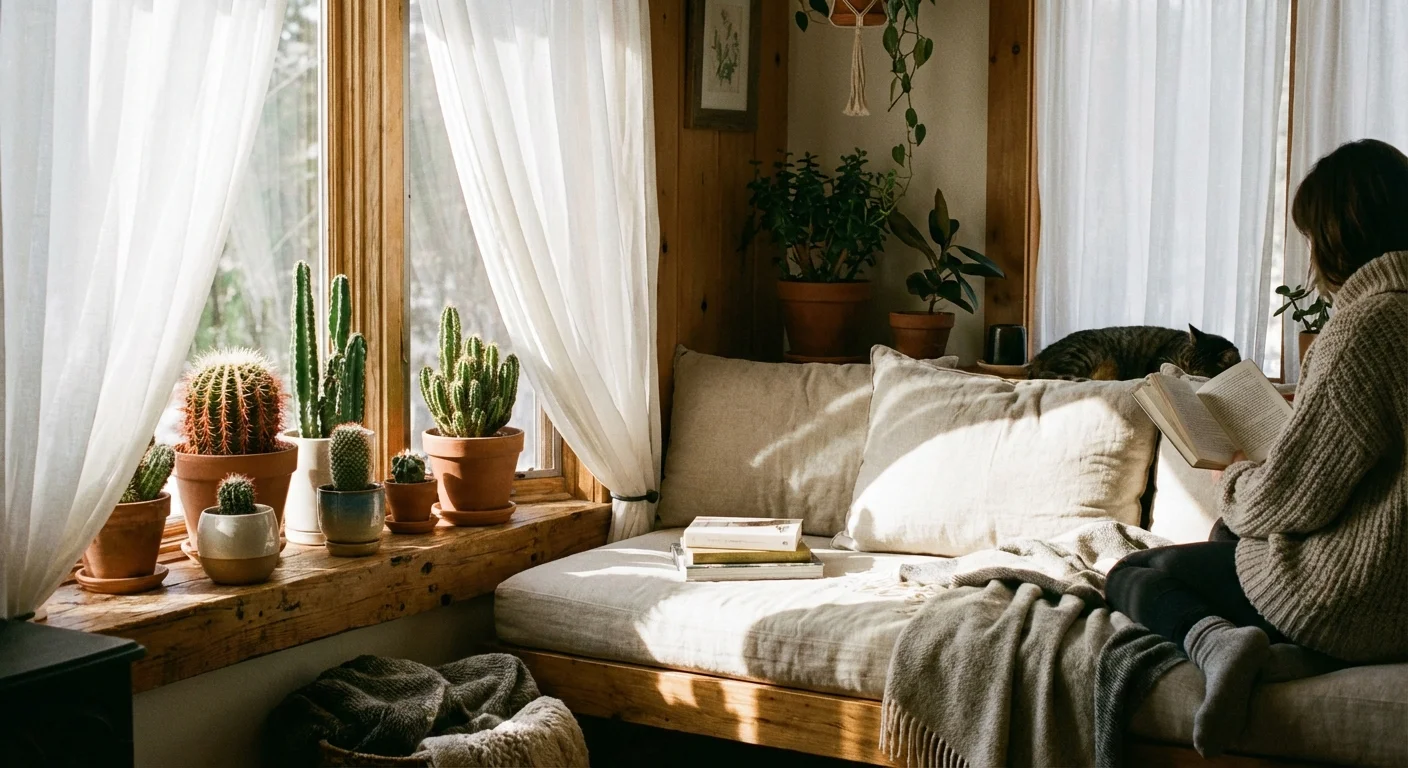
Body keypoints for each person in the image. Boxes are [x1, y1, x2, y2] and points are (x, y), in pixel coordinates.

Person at [1105, 138, 1408, 757]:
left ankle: (1222, 644)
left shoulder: (1368, 326)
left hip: (1363, 598)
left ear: (1338, 237)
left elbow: (1293, 499)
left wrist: (1241, 477)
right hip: (1391, 582)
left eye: (1312, 237)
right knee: (1225, 536)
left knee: (1129, 570)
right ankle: (1284, 648)